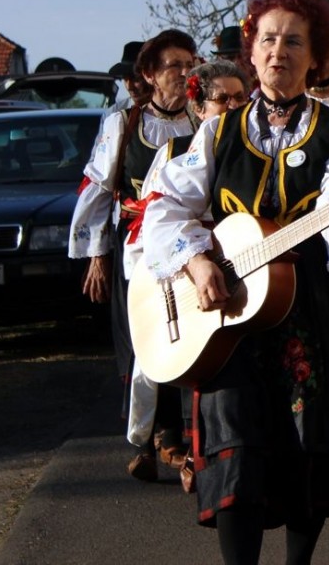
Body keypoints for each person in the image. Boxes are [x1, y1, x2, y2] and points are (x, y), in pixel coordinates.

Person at [140, 0, 329, 563]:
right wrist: (197, 259)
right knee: (237, 456)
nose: (279, 50)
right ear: (251, 53)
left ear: (317, 57)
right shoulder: (217, 131)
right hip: (229, 318)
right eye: (268, 39)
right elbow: (162, 208)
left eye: (294, 41)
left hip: (308, 314)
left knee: (307, 449)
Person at [70, 29, 200, 480]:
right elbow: (98, 189)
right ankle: (152, 439)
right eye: (174, 66)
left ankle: (176, 437)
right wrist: (96, 255)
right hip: (137, 250)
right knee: (144, 340)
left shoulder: (205, 124)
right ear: (149, 74)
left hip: (189, 248)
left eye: (190, 64)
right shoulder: (124, 124)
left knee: (186, 334)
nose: (185, 74)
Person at [122, 59, 250, 491]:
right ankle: (169, 448)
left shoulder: (254, 148)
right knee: (182, 365)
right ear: (198, 108)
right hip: (182, 273)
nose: (232, 106)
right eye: (222, 99)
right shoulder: (174, 154)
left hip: (243, 269)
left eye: (240, 97)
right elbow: (153, 225)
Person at [109, 40, 148, 110]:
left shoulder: (170, 112)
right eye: (125, 79)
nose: (129, 86)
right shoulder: (114, 114)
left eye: (136, 79)